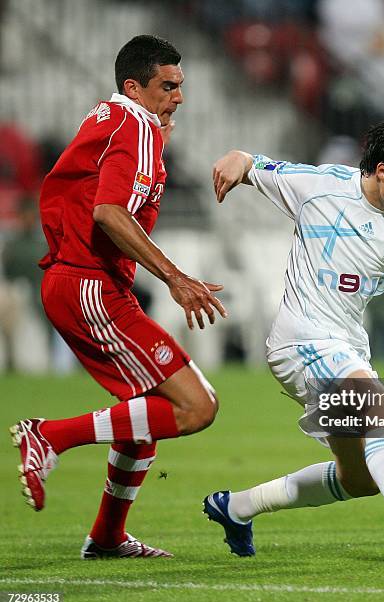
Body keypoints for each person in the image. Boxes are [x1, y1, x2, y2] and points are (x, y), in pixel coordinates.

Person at [204, 117, 384, 567]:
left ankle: (237, 506)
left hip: (348, 349)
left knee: (360, 479)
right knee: (382, 410)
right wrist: (236, 160)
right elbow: (255, 165)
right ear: (381, 170)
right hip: (299, 341)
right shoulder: (320, 187)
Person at [10, 35, 227, 559]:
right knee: (197, 407)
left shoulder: (121, 120)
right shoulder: (133, 126)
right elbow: (108, 212)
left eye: (180, 86)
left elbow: (97, 192)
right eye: (168, 86)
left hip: (87, 282)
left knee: (146, 411)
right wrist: (175, 278)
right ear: (134, 86)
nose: (178, 97)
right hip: (90, 284)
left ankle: (107, 536)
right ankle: (50, 436)